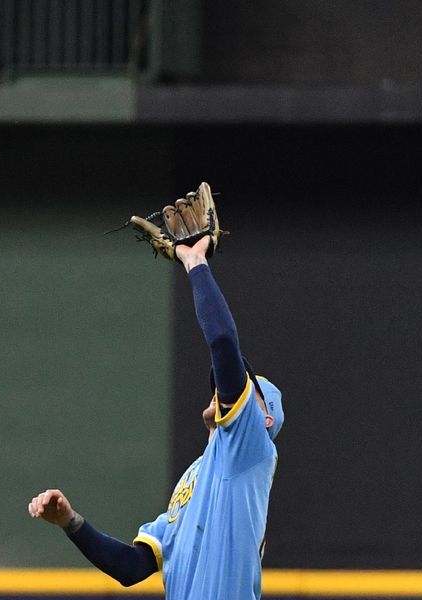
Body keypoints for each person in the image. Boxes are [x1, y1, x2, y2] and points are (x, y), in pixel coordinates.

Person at [27, 235, 284, 599]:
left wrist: (195, 262)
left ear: (266, 420)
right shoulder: (194, 482)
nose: (225, 389)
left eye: (247, 389)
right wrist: (70, 521)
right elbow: (131, 568)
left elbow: (223, 342)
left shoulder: (250, 448)